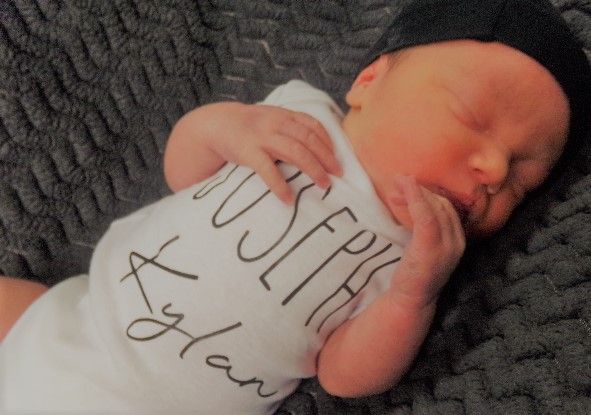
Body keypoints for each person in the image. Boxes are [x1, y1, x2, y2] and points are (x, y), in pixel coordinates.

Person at [1, 0, 590, 414]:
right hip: (76, 316)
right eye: (471, 117)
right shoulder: (294, 118)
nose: (494, 171)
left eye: (522, 177)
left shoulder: (416, 259)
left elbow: (341, 376)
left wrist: (413, 298)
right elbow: (184, 174)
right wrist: (226, 126)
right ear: (369, 81)